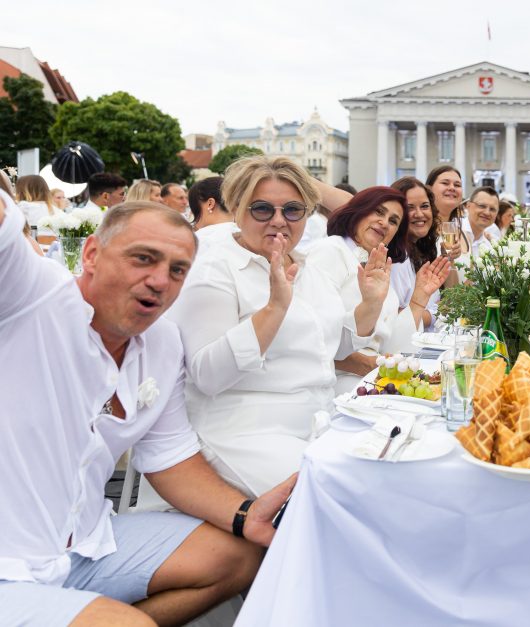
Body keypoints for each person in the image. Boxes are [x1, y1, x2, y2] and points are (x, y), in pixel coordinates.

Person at [0, 191, 294, 626]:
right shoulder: (30, 294)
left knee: (239, 555)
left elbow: (171, 458)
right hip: (8, 564)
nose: (161, 280)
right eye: (143, 259)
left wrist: (245, 515)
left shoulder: (163, 342)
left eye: (177, 270)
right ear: (92, 253)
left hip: (85, 546)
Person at [165, 157, 391, 497]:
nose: (279, 221)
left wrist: (370, 303)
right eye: (261, 209)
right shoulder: (215, 269)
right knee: (347, 496)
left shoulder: (305, 265)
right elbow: (207, 376)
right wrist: (273, 310)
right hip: (244, 432)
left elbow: (332, 345)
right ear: (238, 209)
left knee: (394, 475)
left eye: (293, 210)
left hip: (319, 422)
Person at [307, 186, 444, 394]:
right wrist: (365, 365)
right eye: (378, 212)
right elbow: (310, 336)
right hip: (336, 379)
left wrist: (418, 301)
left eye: (393, 221)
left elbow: (391, 346)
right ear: (359, 211)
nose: (384, 222)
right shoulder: (331, 250)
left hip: (372, 377)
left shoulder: (379, 268)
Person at [388, 177, 453, 331]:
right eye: (410, 208)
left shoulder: (421, 249)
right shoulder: (396, 258)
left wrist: (448, 259)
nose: (419, 214)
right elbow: (390, 316)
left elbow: (445, 301)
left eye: (424, 206)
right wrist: (434, 314)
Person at [188, 176, 236, 245]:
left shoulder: (198, 241)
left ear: (210, 204)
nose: (195, 221)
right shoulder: (248, 236)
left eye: (194, 209)